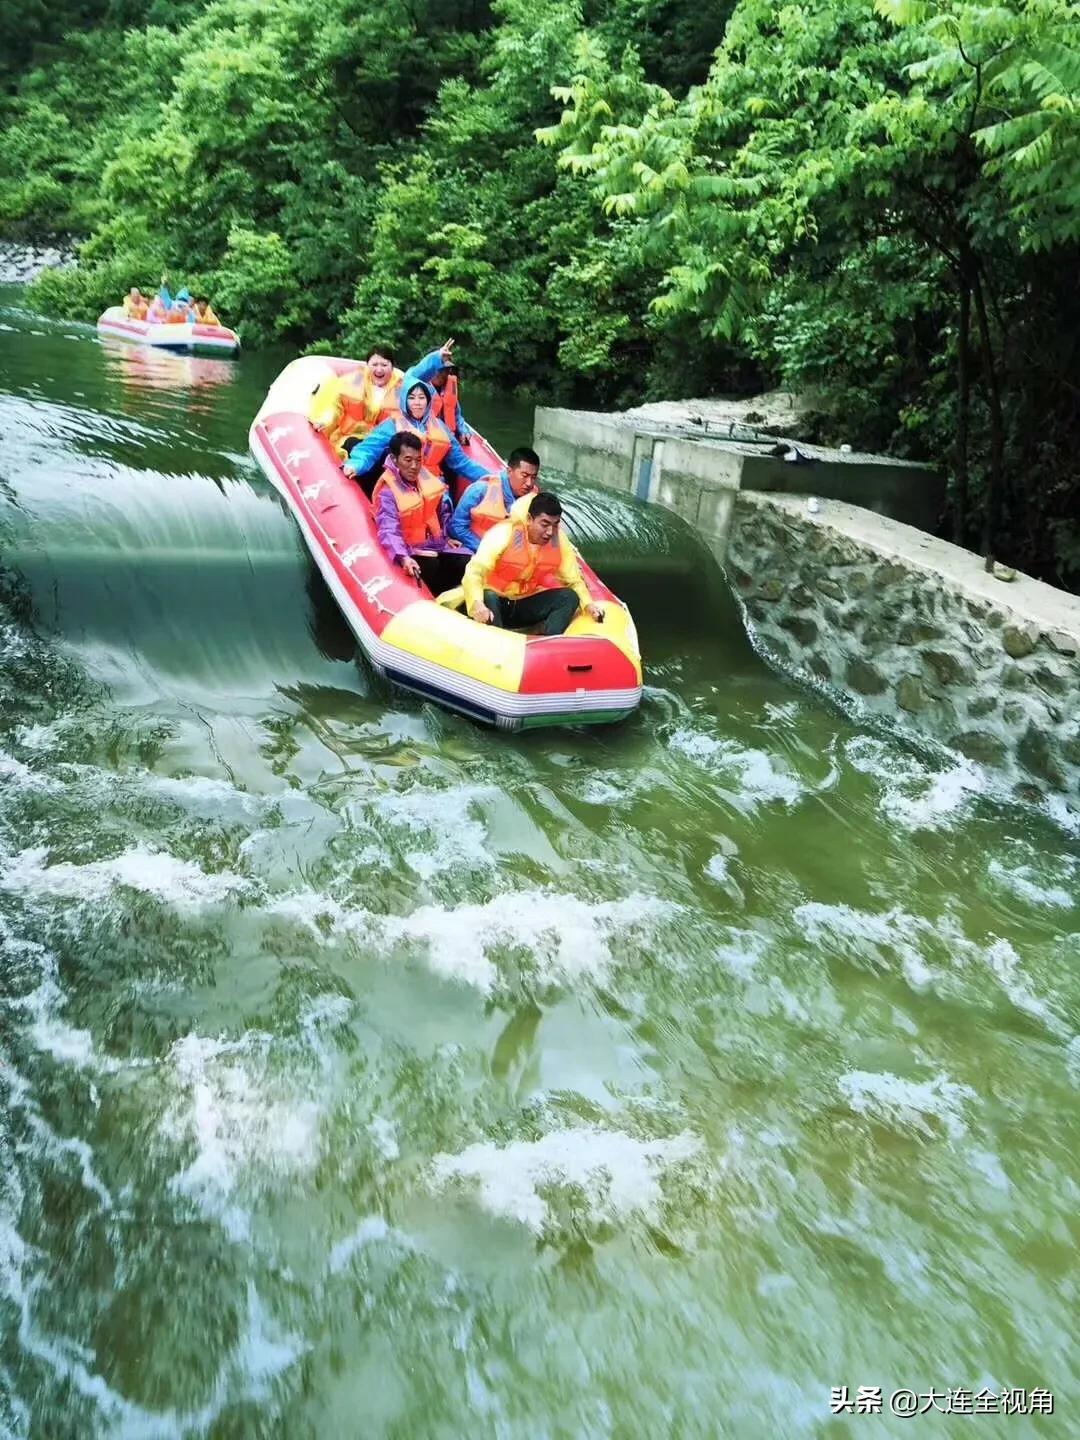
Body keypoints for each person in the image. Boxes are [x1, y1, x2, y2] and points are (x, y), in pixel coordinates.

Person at [463, 491, 604, 636]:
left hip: (523, 604)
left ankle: (548, 640)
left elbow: (574, 580)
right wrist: (477, 603)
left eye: (555, 525)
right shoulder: (504, 533)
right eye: (545, 524)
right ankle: (497, 639)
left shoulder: (559, 542)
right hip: (494, 603)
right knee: (489, 596)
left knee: (569, 596)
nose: (550, 532)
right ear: (530, 519)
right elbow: (475, 571)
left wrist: (588, 605)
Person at [344, 376, 491, 496]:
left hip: (433, 483)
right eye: (412, 398)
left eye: (421, 398)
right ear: (405, 401)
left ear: (428, 401)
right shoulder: (392, 425)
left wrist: (491, 477)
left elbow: (461, 462)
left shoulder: (439, 426)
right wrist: (355, 465)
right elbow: (369, 449)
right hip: (402, 484)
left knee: (444, 504)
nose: (417, 403)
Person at [372, 432, 466, 589]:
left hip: (435, 545)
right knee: (432, 565)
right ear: (395, 460)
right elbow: (388, 530)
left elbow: (440, 513)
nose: (414, 466)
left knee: (463, 560)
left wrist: (446, 538)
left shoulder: (426, 479)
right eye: (408, 460)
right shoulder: (387, 493)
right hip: (411, 548)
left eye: (418, 460)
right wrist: (403, 557)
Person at [309, 346, 404, 459]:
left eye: (384, 365)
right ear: (367, 365)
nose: (379, 370)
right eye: (374, 365)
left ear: (392, 367)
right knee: (355, 448)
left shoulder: (402, 391)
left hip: (380, 443)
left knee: (385, 455)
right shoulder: (352, 382)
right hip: (351, 437)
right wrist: (324, 421)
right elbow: (335, 407)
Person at [449, 446, 540, 552]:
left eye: (533, 477)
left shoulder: (534, 498)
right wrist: (486, 550)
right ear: (509, 471)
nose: (529, 483)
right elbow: (457, 528)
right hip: (477, 551)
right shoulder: (480, 490)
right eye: (524, 475)